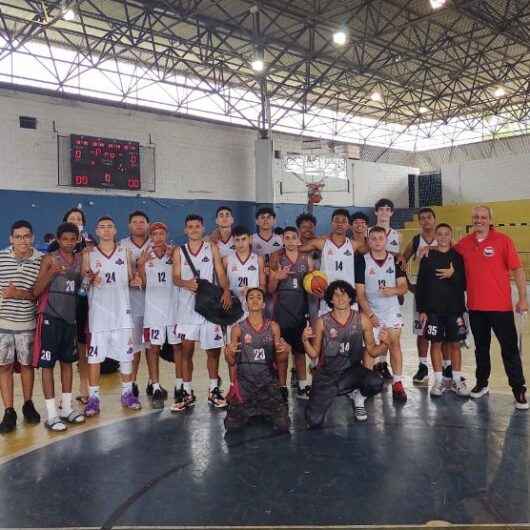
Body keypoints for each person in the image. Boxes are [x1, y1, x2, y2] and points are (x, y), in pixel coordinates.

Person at [453, 205, 528, 409]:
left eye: (483, 217)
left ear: (490, 220)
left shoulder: (503, 241)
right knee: (481, 349)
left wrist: (523, 298)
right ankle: (482, 383)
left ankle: (518, 388)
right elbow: (446, 250)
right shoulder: (465, 243)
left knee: (510, 349)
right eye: (476, 217)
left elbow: (518, 270)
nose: (479, 220)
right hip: (476, 307)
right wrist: (428, 248)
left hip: (500, 307)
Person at [302, 280, 386, 427]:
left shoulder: (362, 319)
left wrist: (385, 343)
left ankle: (358, 398)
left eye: (344, 294)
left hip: (352, 371)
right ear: (330, 299)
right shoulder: (322, 321)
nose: (340, 298)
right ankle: (328, 396)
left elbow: (372, 351)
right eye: (336, 295)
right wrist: (305, 341)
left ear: (350, 297)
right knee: (313, 421)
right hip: (327, 374)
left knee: (376, 382)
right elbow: (314, 354)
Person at [82, 216, 142, 416]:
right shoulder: (88, 254)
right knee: (94, 359)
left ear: (116, 230)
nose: (106, 230)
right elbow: (82, 287)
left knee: (126, 356)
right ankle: (93, 398)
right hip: (99, 315)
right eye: (102, 227)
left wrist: (136, 280)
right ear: (97, 231)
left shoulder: (125, 252)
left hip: (122, 313)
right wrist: (90, 279)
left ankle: (127, 393)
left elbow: (133, 278)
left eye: (110, 226)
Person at [172, 214, 231, 411]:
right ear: (185, 230)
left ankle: (214, 389)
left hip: (209, 306)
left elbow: (220, 272)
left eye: (197, 226)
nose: (194, 229)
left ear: (203, 228)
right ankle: (187, 391)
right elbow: (175, 277)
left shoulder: (211, 247)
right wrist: (185, 283)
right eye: (190, 226)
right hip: (187, 308)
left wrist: (225, 291)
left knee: (213, 351)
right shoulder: (179, 251)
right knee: (186, 350)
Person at [33, 223, 85, 430]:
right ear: (58, 239)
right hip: (50, 318)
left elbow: (81, 290)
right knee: (47, 366)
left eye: (73, 239)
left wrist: (89, 279)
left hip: (70, 320)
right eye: (65, 239)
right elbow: (36, 290)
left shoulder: (80, 260)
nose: (69, 243)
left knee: (67, 363)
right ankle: (52, 413)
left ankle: (66, 407)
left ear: (77, 240)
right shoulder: (50, 259)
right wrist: (52, 273)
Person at [224, 288, 290, 433]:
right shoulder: (237, 329)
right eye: (251, 297)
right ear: (246, 304)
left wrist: (285, 352)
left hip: (268, 384)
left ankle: (264, 408)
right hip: (245, 385)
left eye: (259, 297)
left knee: (283, 425)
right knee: (231, 426)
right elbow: (231, 362)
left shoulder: (273, 327)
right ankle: (253, 409)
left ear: (264, 304)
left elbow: (281, 360)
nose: (255, 300)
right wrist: (227, 353)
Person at [415, 223, 469, 398]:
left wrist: (453, 275)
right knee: (436, 343)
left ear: (451, 235)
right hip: (433, 310)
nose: (443, 237)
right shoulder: (428, 255)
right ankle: (438, 380)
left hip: (454, 309)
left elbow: (465, 284)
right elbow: (421, 284)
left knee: (455, 344)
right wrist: (422, 309)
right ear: (436, 236)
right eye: (440, 234)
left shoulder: (458, 257)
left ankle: (456, 379)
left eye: (447, 234)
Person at [355, 226, 408, 402]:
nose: (377, 241)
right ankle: (367, 385)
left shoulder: (395, 260)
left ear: (386, 240)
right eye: (373, 238)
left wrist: (392, 290)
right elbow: (360, 294)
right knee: (370, 349)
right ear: (368, 241)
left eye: (380, 238)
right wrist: (369, 315)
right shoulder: (362, 260)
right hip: (371, 311)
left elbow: (403, 287)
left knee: (394, 344)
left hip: (391, 310)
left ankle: (398, 383)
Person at [49, 207, 94, 407]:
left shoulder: (91, 245)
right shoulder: (53, 247)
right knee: (61, 348)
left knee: (83, 346)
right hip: (60, 303)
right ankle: (61, 393)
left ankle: (84, 387)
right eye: (71, 218)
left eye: (79, 218)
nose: (75, 221)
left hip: (83, 302)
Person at [0, 220, 42, 434]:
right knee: (4, 367)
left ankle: (28, 404)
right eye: (18, 237)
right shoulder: (1, 258)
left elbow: (37, 293)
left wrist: (17, 294)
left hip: (27, 323)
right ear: (11, 239)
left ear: (32, 238)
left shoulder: (40, 261)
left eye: (26, 236)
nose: (22, 240)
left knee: (27, 366)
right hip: (2, 324)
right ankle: (8, 410)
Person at [137, 222, 179, 409]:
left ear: (166, 234)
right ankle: (155, 386)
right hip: (153, 311)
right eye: (154, 234)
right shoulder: (145, 256)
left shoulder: (175, 253)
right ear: (150, 236)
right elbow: (143, 284)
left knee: (178, 348)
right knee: (153, 348)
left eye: (161, 233)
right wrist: (140, 266)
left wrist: (176, 259)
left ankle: (180, 386)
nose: (158, 237)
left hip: (173, 310)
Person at [269, 226, 314, 399]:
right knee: (281, 353)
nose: (289, 240)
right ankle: (281, 386)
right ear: (283, 240)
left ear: (298, 240)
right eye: (286, 237)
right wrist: (276, 277)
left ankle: (303, 385)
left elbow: (312, 286)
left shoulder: (306, 259)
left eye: (292, 237)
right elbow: (271, 289)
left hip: (300, 311)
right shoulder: (277, 259)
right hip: (282, 312)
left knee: (300, 351)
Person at [399, 207, 438, 384]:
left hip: (443, 293)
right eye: (422, 218)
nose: (425, 221)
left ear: (434, 219)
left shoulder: (444, 237)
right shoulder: (416, 241)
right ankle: (423, 366)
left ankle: (445, 367)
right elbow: (401, 261)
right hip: (423, 292)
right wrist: (407, 284)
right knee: (421, 331)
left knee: (442, 332)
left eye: (428, 217)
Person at [300, 208, 361, 315]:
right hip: (327, 296)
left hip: (349, 298)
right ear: (331, 223)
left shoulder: (354, 244)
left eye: (344, 221)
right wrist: (277, 253)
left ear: (348, 225)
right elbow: (296, 249)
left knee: (351, 330)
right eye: (336, 220)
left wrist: (398, 255)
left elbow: (377, 249)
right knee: (326, 330)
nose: (340, 224)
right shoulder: (321, 243)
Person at [120, 210, 151, 398]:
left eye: (142, 221)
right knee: (135, 347)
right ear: (129, 225)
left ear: (148, 224)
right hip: (132, 303)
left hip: (155, 303)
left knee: (152, 346)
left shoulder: (156, 243)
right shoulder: (121, 246)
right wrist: (137, 266)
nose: (139, 224)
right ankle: (132, 382)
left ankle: (153, 381)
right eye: (135, 222)